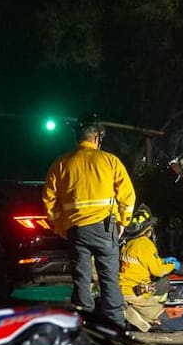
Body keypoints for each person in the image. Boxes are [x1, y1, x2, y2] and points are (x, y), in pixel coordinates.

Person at [42, 113, 136, 329]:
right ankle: (115, 324)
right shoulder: (110, 161)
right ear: (96, 138)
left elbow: (49, 199)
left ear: (78, 139)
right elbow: (127, 196)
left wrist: (60, 227)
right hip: (105, 228)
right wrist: (123, 222)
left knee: (82, 277)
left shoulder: (62, 163)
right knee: (109, 277)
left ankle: (84, 322)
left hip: (76, 230)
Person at [118, 204, 181, 333]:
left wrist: (162, 260)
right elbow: (158, 270)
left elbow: (141, 263)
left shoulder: (129, 244)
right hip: (137, 293)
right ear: (148, 229)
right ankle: (150, 318)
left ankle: (136, 315)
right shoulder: (145, 243)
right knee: (167, 319)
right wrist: (173, 265)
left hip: (122, 291)